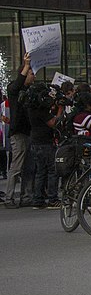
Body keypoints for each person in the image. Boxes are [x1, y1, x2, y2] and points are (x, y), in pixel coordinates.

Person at [26, 83, 65, 208]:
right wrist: (59, 110)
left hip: (36, 141)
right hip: (45, 143)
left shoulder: (31, 108)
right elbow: (53, 123)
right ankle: (52, 199)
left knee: (40, 172)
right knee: (52, 171)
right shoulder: (40, 110)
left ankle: (38, 199)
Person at [5, 53, 35, 207]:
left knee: (28, 168)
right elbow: (18, 83)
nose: (33, 75)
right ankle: (9, 197)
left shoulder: (30, 91)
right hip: (18, 133)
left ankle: (27, 196)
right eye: (31, 72)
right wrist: (26, 64)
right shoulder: (13, 88)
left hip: (28, 132)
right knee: (16, 167)